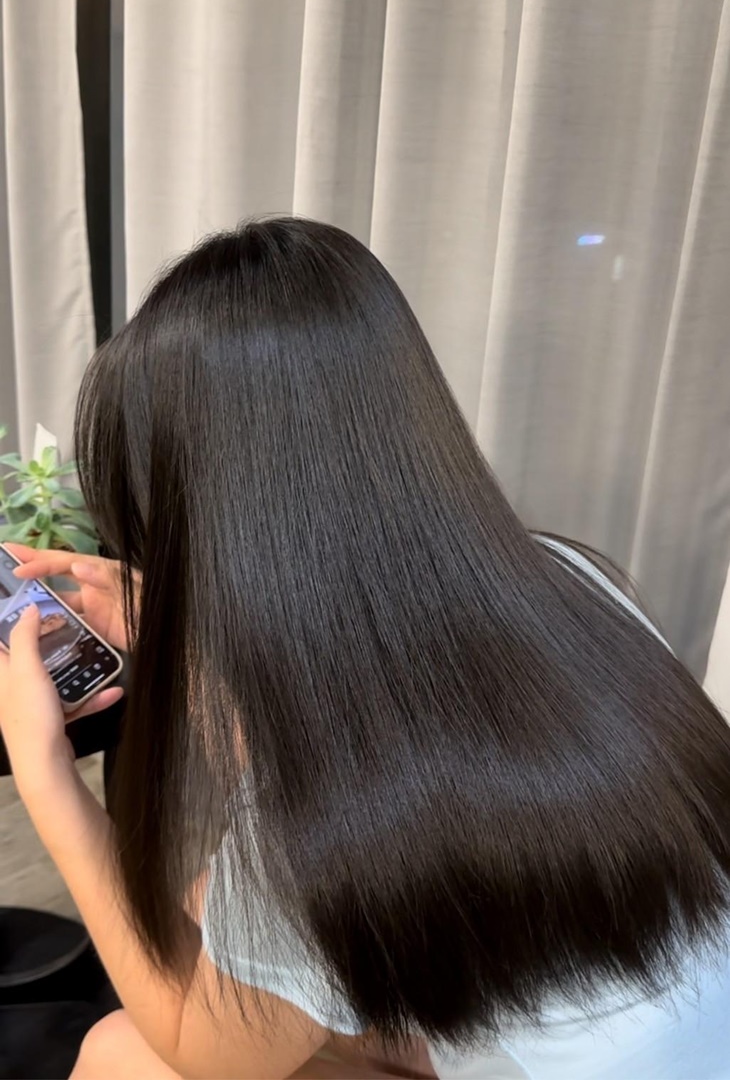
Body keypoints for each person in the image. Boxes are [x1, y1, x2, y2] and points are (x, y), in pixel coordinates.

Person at [0, 218, 729, 1080]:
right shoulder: (569, 579)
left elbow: (212, 1059)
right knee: (214, 908)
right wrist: (176, 624)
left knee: (121, 1053)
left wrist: (47, 776)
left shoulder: (312, 824)